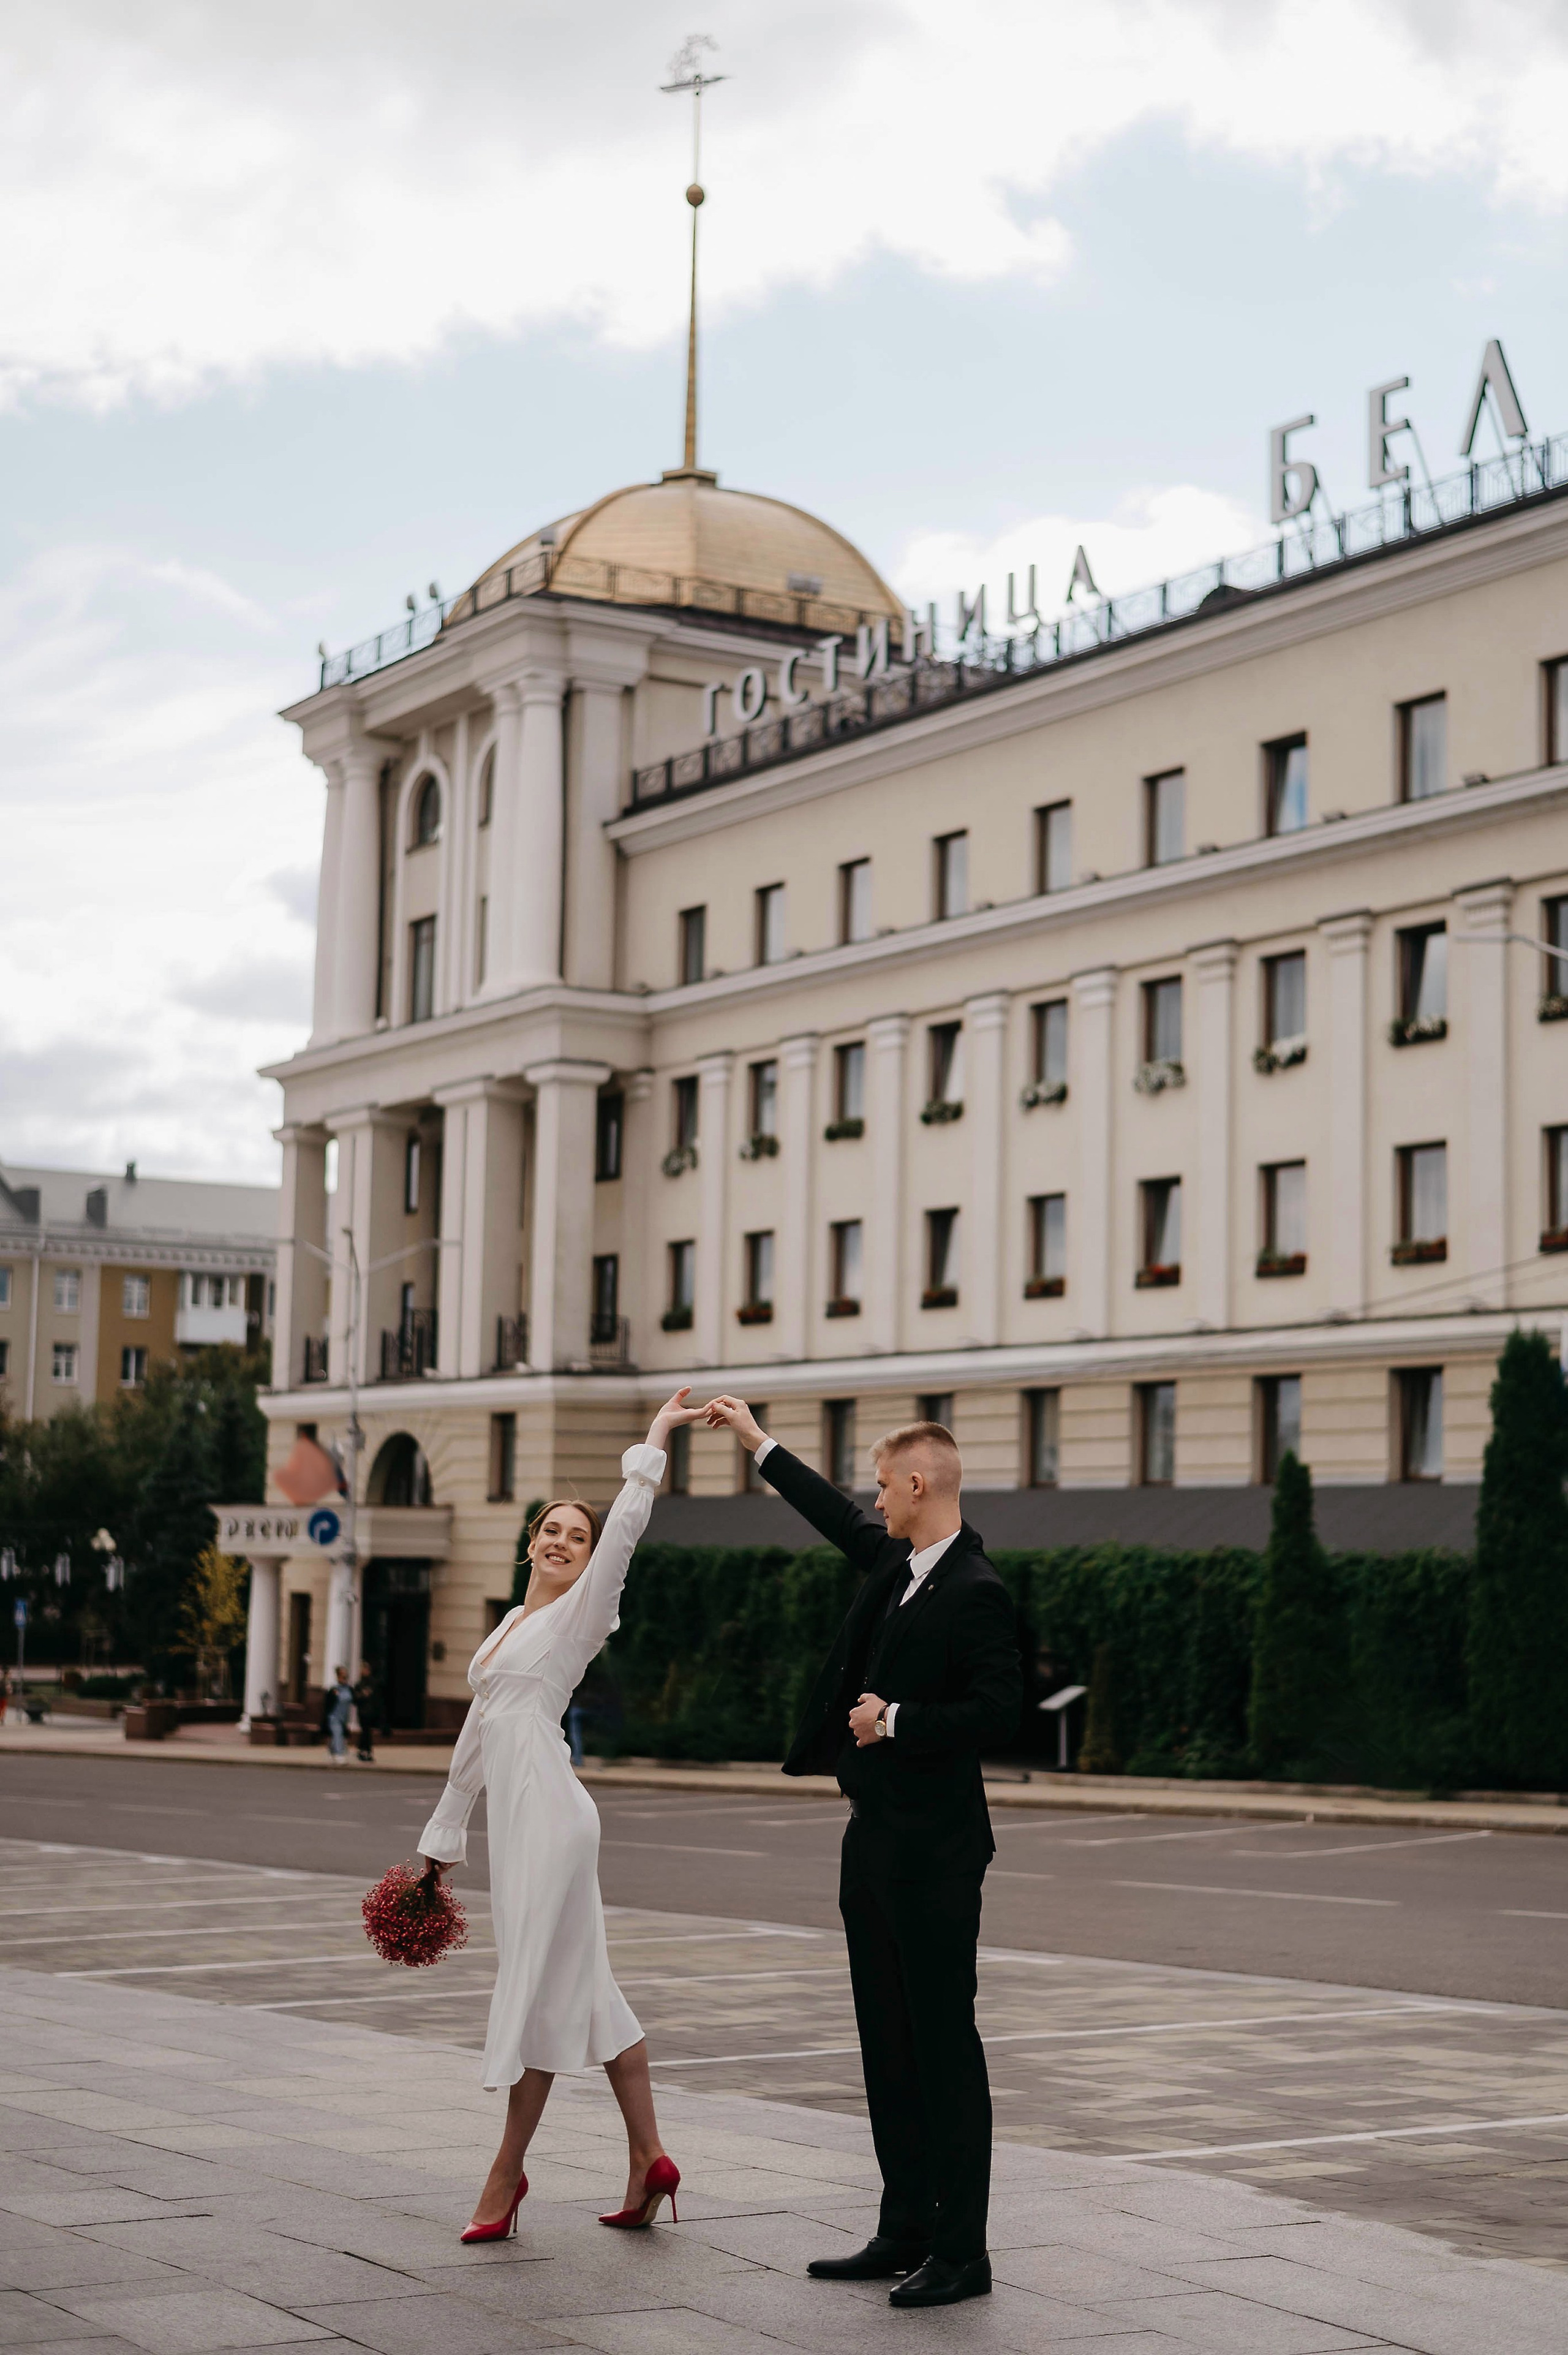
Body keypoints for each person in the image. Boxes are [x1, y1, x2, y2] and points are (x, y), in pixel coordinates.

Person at [705, 1398, 1021, 2310]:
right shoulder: (900, 1564)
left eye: (885, 1486)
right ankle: (905, 2228)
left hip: (937, 1853)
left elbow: (999, 1712)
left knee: (942, 2047)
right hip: (873, 1846)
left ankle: (964, 2251)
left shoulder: (977, 1589)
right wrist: (758, 1441)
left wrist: (897, 1720)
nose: (875, 1501)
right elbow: (831, 1514)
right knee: (888, 2044)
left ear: (918, 1485)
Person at [419, 1386, 706, 2245]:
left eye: (575, 1537)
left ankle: (505, 2176)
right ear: (529, 1543)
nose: (561, 1540)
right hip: (518, 1817)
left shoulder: (585, 1616)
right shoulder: (508, 1626)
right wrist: (441, 1844)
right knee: (589, 1995)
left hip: (549, 1811)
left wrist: (653, 1440)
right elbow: (477, 1733)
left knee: (539, 1989)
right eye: (550, 1529)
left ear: (587, 1561)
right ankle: (650, 2156)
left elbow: (626, 1530)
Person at [323, 1666, 353, 1762]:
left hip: (344, 1717)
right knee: (338, 1733)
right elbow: (327, 1704)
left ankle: (332, 1752)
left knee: (340, 1734)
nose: (344, 1678)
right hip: (334, 1716)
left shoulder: (349, 1689)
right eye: (342, 1676)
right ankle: (339, 1754)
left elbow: (355, 1700)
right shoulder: (334, 1689)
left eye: (345, 1676)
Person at [351, 1659, 378, 1764]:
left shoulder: (372, 1683)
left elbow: (374, 1697)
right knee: (365, 1732)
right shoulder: (360, 1684)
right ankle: (363, 1751)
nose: (363, 1671)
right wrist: (362, 1695)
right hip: (362, 1712)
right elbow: (356, 1698)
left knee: (367, 1732)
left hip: (370, 1712)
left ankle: (366, 1751)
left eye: (364, 1669)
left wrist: (362, 1695)